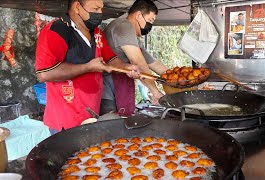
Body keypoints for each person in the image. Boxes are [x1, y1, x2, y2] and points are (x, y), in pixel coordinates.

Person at [35, 0, 139, 135]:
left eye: (101, 9)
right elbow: (44, 74)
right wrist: (87, 67)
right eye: (95, 9)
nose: (100, 13)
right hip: (66, 118)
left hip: (91, 112)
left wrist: (126, 67)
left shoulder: (96, 33)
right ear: (77, 7)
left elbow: (111, 59)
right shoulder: (56, 31)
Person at [101, 0, 168, 115]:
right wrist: (156, 92)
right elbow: (138, 62)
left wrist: (178, 77)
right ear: (138, 15)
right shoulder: (123, 25)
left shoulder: (134, 38)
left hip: (120, 86)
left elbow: (154, 63)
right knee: (113, 126)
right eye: (150, 20)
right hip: (108, 90)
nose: (150, 25)